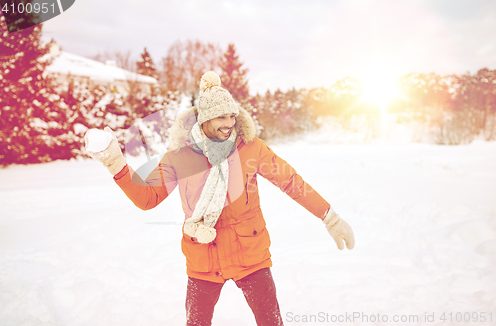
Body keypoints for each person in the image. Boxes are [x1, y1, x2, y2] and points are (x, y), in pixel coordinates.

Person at [86, 71, 355, 326]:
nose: (228, 123)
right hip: (203, 257)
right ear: (204, 120)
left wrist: (328, 216)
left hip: (250, 255)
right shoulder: (179, 156)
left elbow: (291, 182)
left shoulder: (250, 148)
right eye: (220, 118)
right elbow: (148, 198)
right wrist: (116, 164)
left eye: (231, 116)